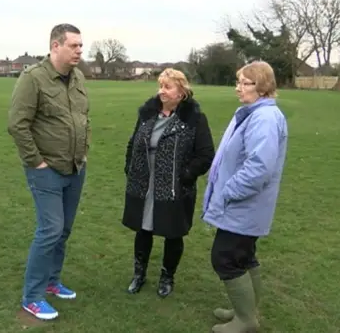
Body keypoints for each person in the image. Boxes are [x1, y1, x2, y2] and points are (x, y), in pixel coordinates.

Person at [6, 23, 90, 321]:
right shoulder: (33, 79)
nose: (79, 50)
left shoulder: (78, 76)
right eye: (74, 45)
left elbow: (82, 116)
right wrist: (37, 162)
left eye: (81, 45)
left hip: (76, 167)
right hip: (46, 170)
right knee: (50, 229)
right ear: (56, 46)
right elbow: (17, 124)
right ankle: (32, 296)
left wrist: (84, 150)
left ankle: (52, 282)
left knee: (63, 230)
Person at [201, 61, 288, 333]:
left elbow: (259, 167)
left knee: (225, 257)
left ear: (262, 86)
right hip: (245, 205)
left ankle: (246, 320)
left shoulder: (264, 118)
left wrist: (228, 191)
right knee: (244, 257)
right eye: (237, 81)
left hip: (243, 205)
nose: (237, 88)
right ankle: (245, 311)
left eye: (244, 82)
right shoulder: (253, 113)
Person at [122, 68, 215, 298]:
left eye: (167, 87)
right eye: (160, 86)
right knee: (143, 230)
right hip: (145, 183)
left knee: (173, 233)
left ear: (181, 92)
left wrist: (186, 175)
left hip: (175, 186)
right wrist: (130, 167)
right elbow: (133, 143)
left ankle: (167, 276)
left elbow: (205, 155)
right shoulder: (147, 114)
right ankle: (139, 274)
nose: (161, 91)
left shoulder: (194, 119)